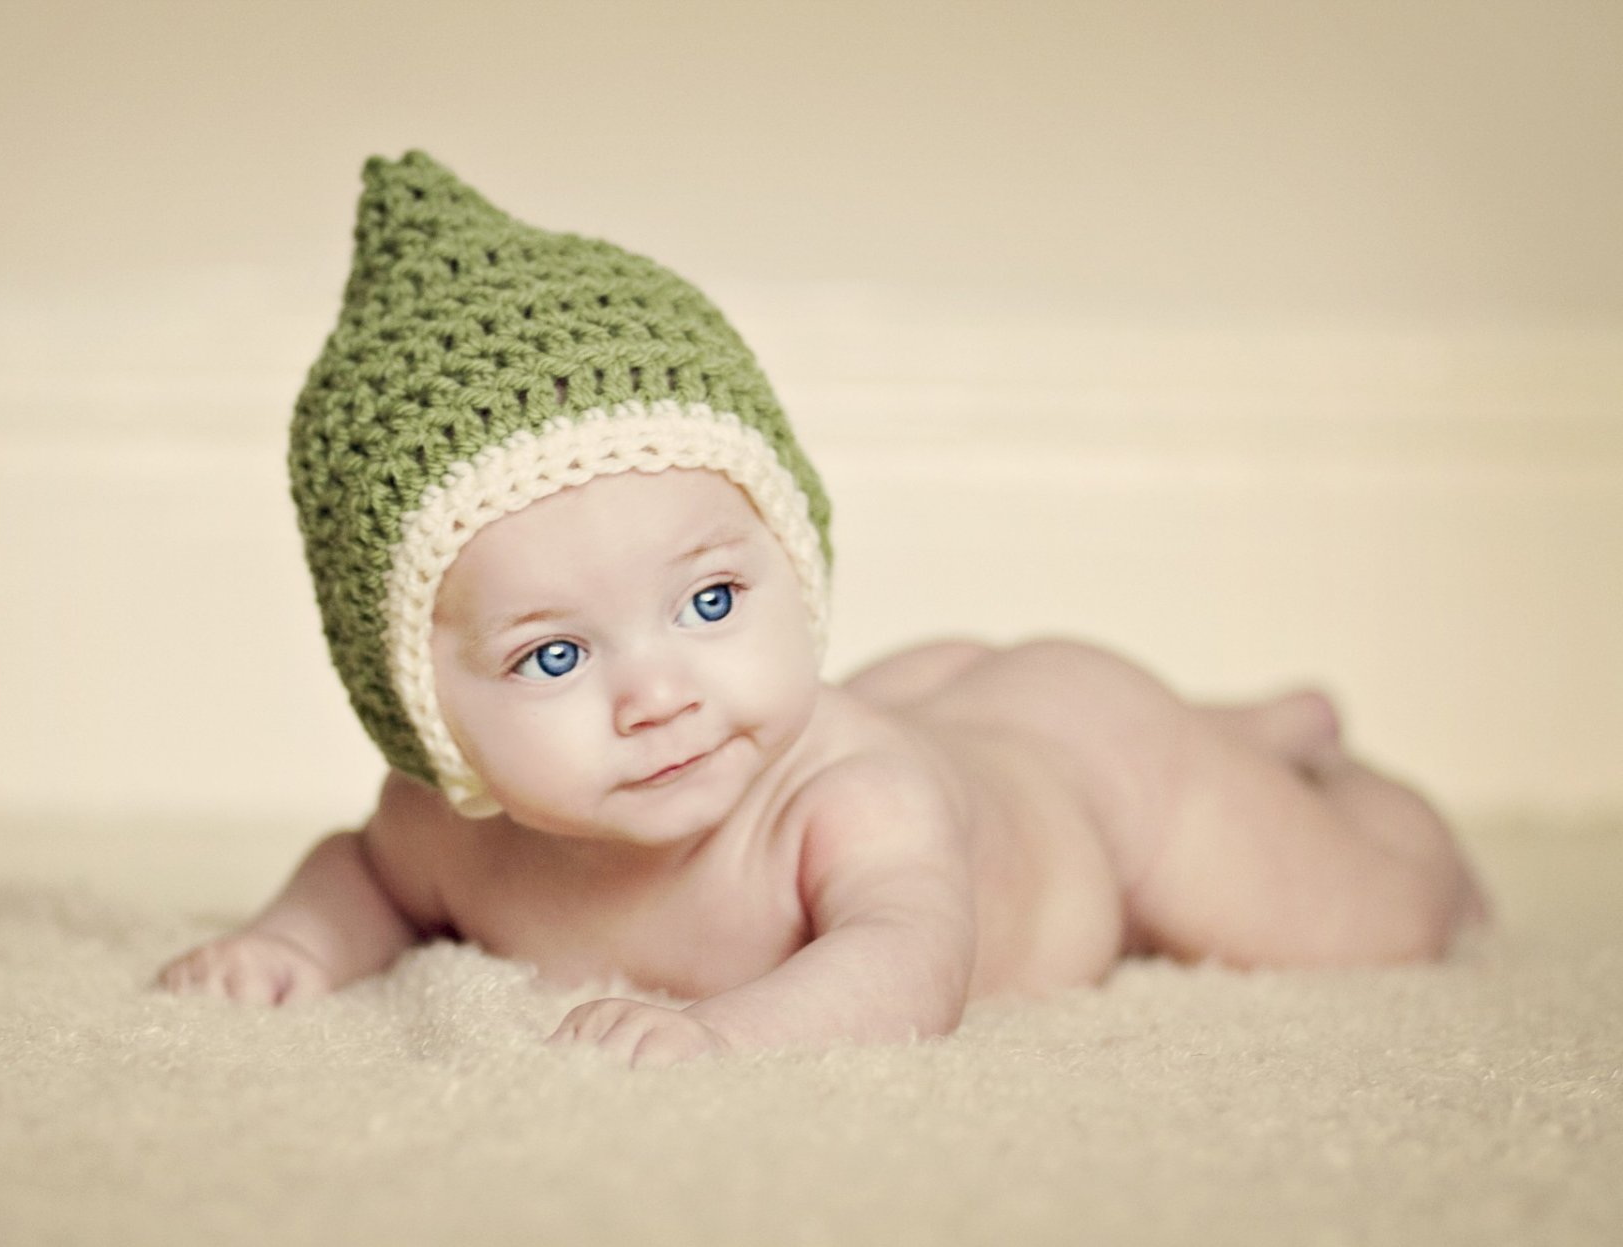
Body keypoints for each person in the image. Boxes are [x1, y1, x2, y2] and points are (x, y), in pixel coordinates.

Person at [157, 151, 1487, 1066]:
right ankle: (1246, 729)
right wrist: (287, 943)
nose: (659, 691)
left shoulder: (848, 803)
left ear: (794, 563)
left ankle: (1308, 764)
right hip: (955, 706)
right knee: (954, 707)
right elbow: (362, 874)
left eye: (715, 597)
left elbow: (912, 958)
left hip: (1093, 771)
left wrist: (736, 1035)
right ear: (420, 709)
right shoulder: (443, 832)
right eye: (555, 652)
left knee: (1370, 921)